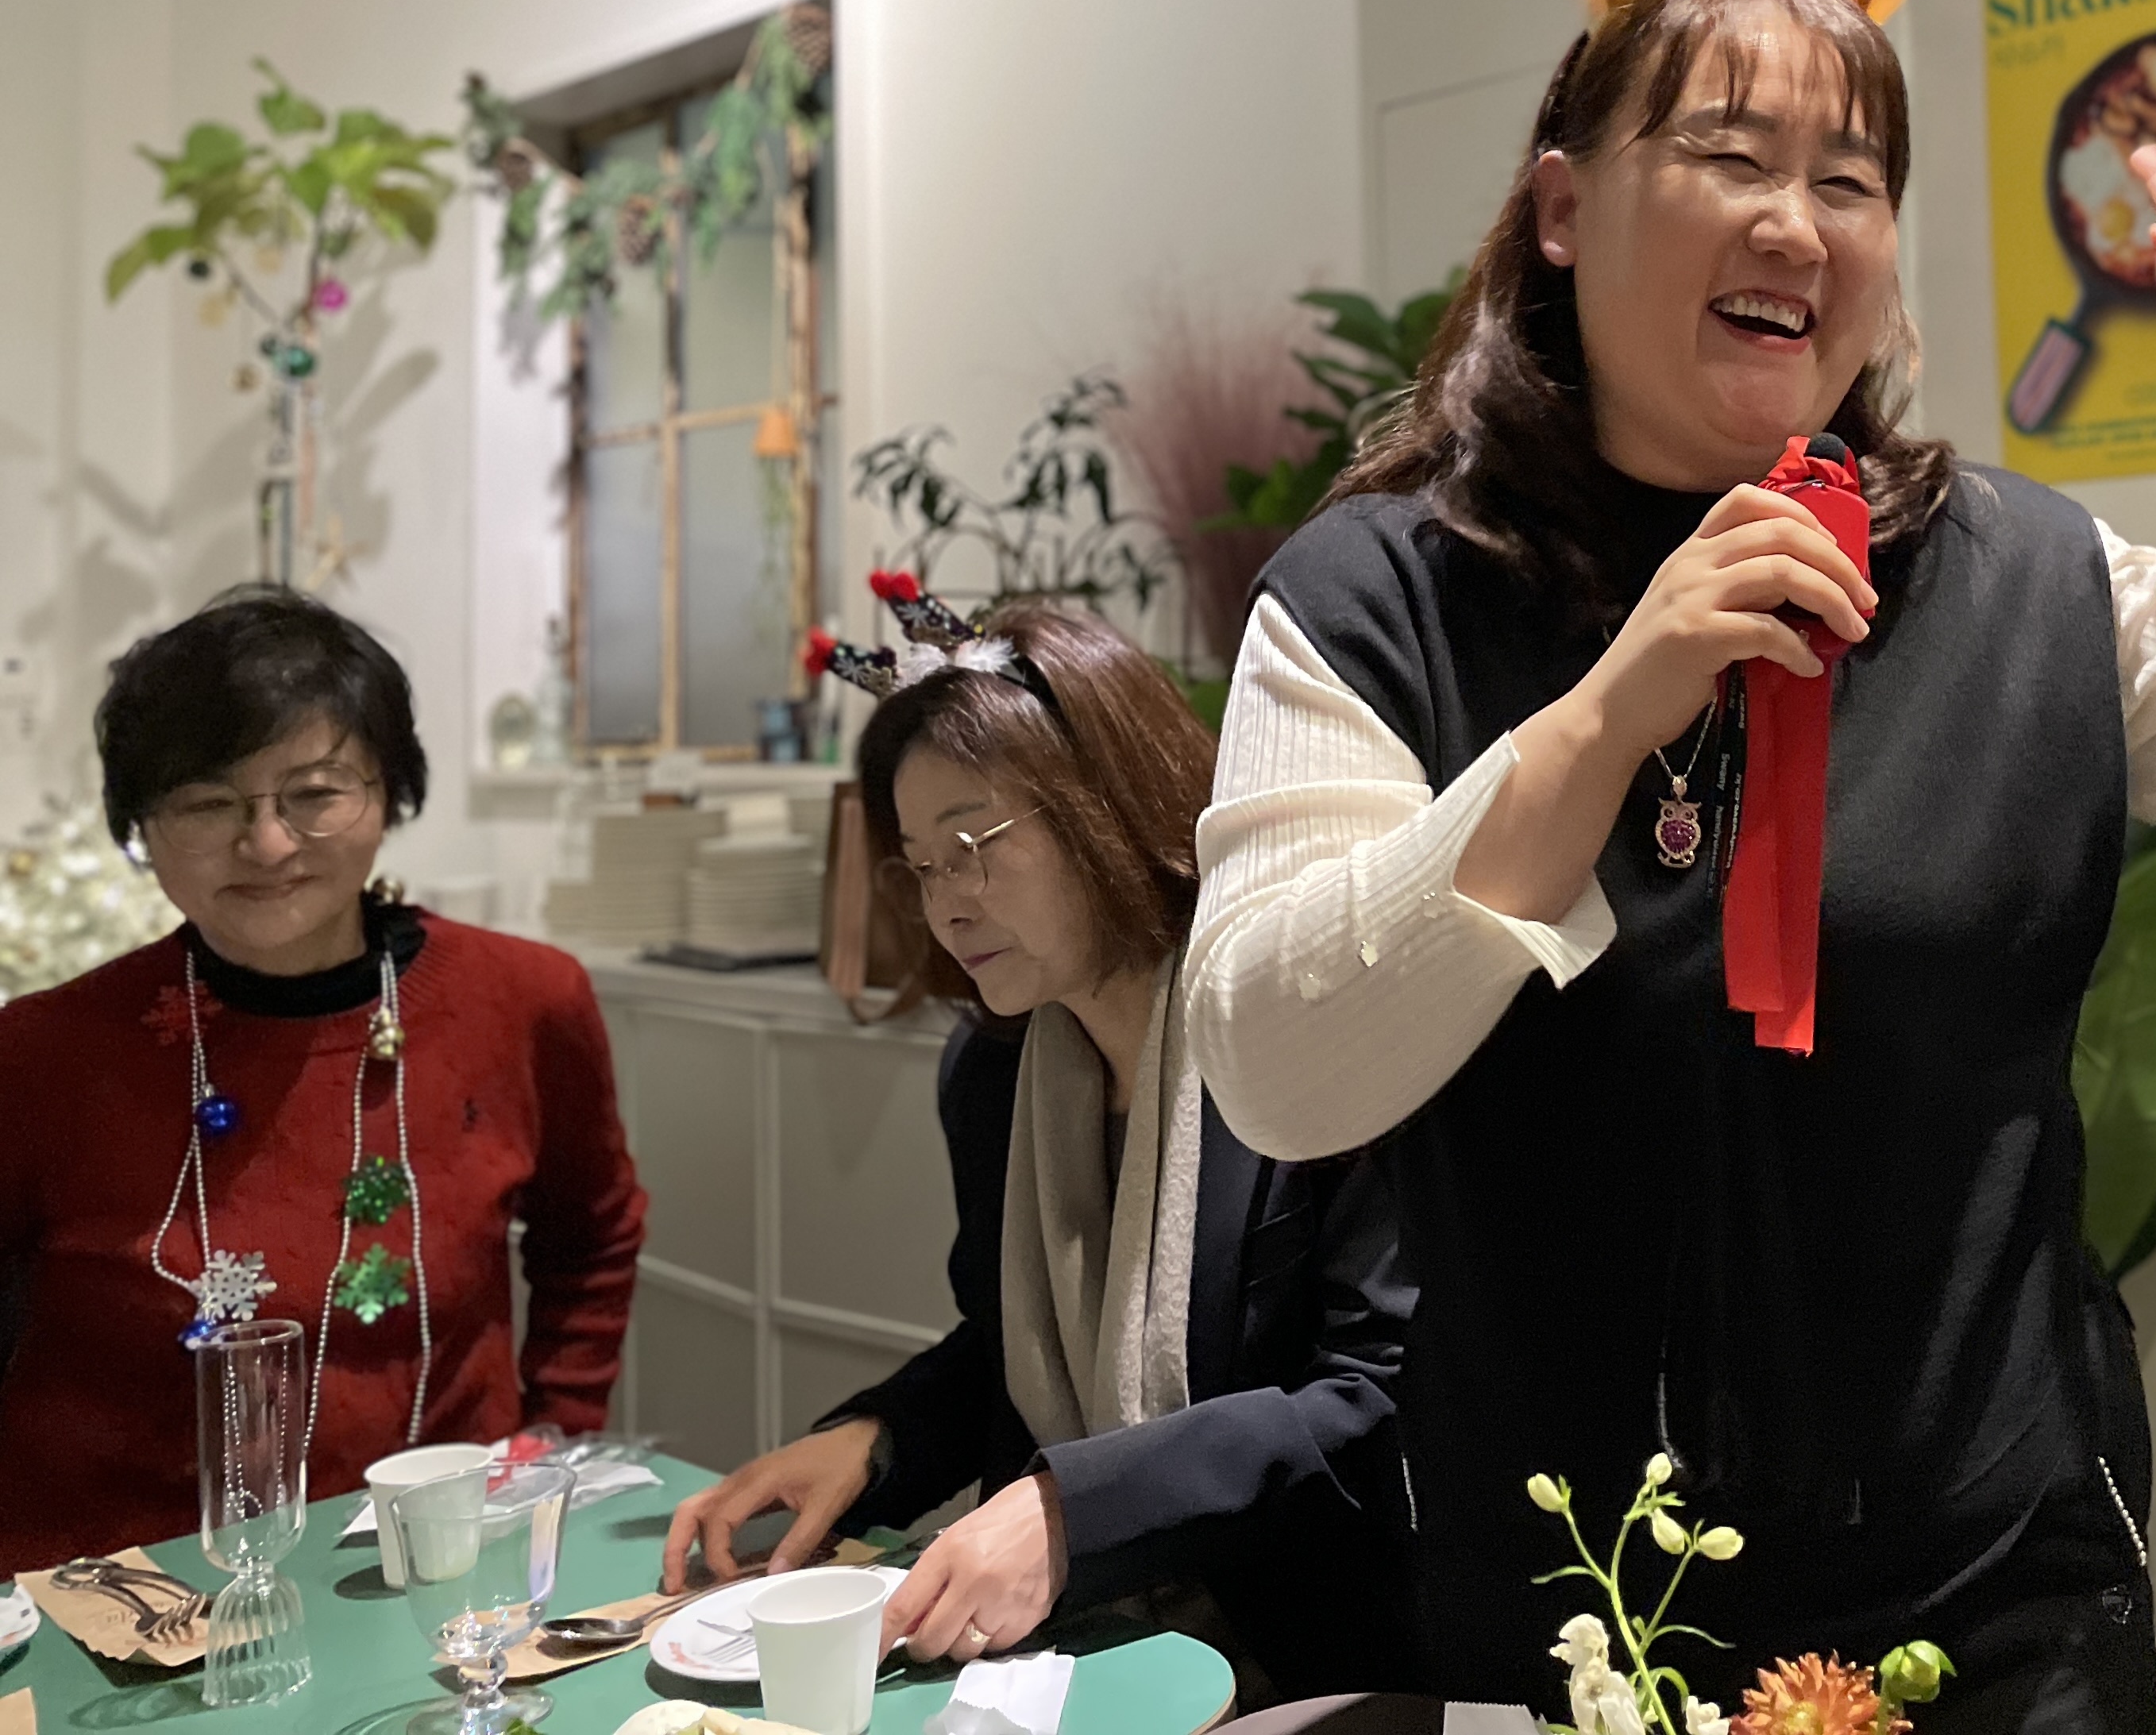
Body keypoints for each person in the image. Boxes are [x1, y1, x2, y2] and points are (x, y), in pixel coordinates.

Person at [1183, 0, 2156, 1733]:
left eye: (1851, 179)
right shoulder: (1383, 599)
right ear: (1563, 208)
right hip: (1578, 1618)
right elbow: (1280, 1071)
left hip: (2000, 1606)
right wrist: (1606, 714)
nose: (1796, 222)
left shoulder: (2026, 578)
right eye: (1728, 158)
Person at [664, 592, 1417, 1697]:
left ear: (1108, 802)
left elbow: (1379, 1403)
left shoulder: (1299, 1021)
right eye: (922, 866)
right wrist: (873, 1442)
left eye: (972, 846)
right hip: (1082, 1649)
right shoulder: (995, 1073)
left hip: (1310, 1654)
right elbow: (1014, 1347)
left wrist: (1074, 1513)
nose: (947, 908)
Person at [0, 586, 645, 1566]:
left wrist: (552, 1437)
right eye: (207, 803)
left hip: (427, 1565)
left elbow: (593, 1232)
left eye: (314, 794)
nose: (266, 844)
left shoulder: (524, 1001)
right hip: (110, 1586)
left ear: (389, 793)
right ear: (141, 826)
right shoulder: (44, 1052)